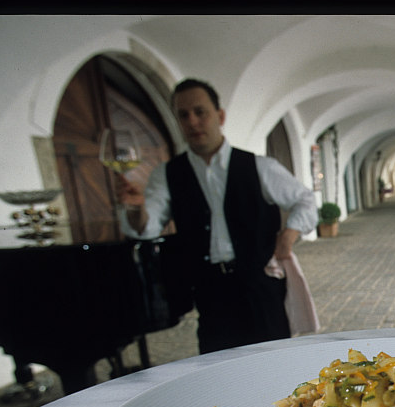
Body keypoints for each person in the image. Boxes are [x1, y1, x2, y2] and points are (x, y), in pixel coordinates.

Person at [115, 78, 318, 354]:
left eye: (200, 112)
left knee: (273, 362)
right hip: (210, 291)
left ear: (219, 116)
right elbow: (147, 229)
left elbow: (305, 200)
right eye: (184, 115)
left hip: (260, 286)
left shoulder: (258, 166)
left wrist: (289, 234)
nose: (193, 122)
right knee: (218, 368)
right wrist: (136, 207)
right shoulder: (167, 174)